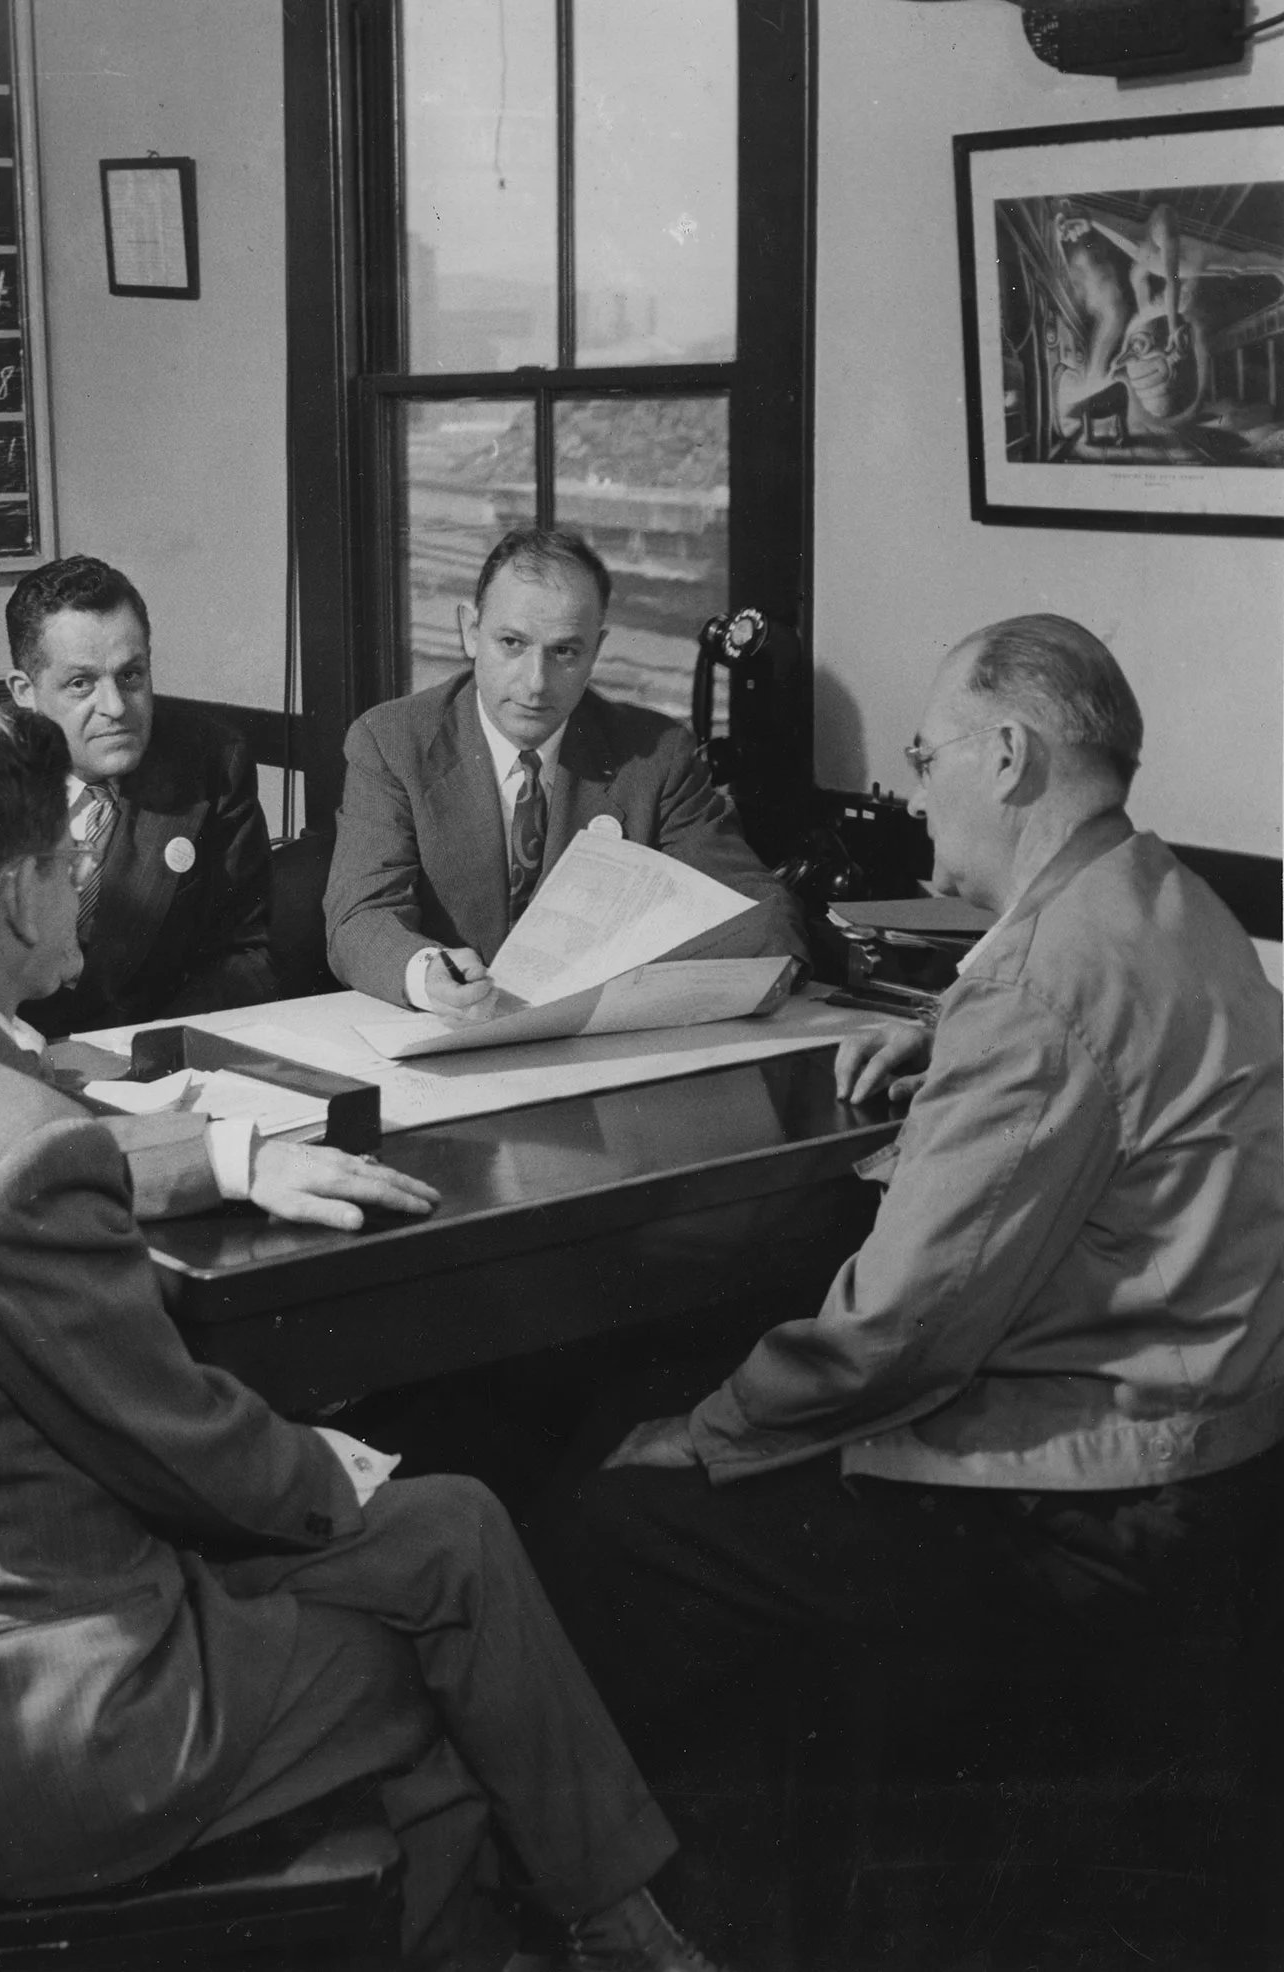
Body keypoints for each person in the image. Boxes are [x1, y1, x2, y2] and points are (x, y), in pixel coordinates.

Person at [0, 703, 730, 1972]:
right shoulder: (6, 1153)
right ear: (10, 896)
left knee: (455, 1536)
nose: (80, 883)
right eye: (62, 860)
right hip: (72, 1736)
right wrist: (343, 1465)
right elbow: (183, 1446)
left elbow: (27, 1159)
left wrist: (228, 1165)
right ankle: (601, 1927)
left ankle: (602, 1921)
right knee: (452, 1594)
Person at [533, 614, 1284, 1745]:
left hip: (1089, 1500)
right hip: (1223, 1449)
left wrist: (708, 1431)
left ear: (1007, 757)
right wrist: (955, 1028)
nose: (916, 794)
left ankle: (640, 1891)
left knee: (611, 1507)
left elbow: (891, 1331)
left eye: (926, 757)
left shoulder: (1036, 992)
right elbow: (1108, 1044)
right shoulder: (1169, 901)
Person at [323, 527, 806, 1019]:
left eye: (565, 652)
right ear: (471, 632)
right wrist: (424, 973)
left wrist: (759, 963)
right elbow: (359, 918)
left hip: (597, 1042)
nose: (536, 684)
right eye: (512, 643)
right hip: (447, 1038)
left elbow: (759, 911)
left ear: (596, 650)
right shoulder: (390, 742)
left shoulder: (656, 756)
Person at [6, 554, 277, 1037]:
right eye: (80, 683)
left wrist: (150, 1052)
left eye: (130, 676)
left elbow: (246, 954)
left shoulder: (210, 761)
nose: (115, 708)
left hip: (148, 1061)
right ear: (26, 691)